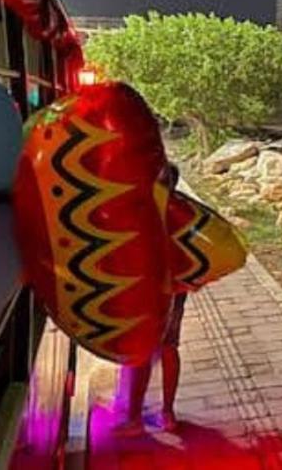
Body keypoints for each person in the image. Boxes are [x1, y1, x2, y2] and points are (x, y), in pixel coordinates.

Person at [112, 163, 188, 436]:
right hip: (176, 289)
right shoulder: (181, 212)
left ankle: (134, 419)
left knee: (142, 350)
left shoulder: (141, 213)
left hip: (147, 291)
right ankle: (167, 413)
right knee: (169, 346)